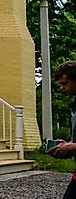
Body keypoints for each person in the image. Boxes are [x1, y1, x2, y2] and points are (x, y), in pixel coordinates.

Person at [51, 61, 76, 198]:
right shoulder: (74, 106)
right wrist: (67, 145)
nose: (62, 88)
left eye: (65, 84)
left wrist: (71, 146)